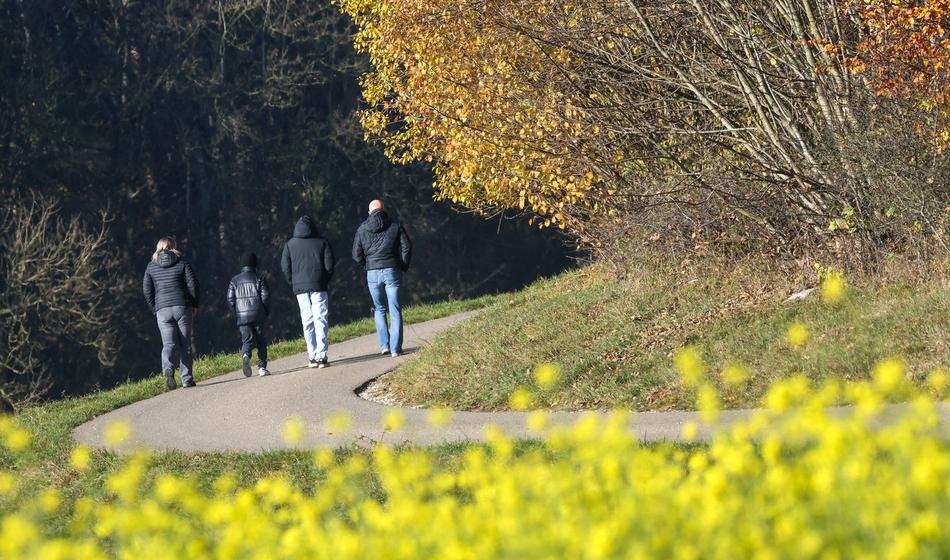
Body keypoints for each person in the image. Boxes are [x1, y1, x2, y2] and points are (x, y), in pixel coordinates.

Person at [352, 200, 412, 357]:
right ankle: (395, 349)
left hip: (372, 272)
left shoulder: (362, 228)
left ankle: (384, 345)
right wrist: (403, 265)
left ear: (369, 212)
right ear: (384, 209)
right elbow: (407, 246)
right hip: (392, 270)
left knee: (379, 308)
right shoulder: (395, 226)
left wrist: (367, 266)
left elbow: (356, 255)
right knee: (395, 308)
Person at [142, 236, 200, 390]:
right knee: (185, 344)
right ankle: (186, 379)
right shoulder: (182, 262)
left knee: (168, 344)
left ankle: (167, 367)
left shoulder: (151, 266)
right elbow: (192, 284)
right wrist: (195, 303)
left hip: (162, 309)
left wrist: (155, 308)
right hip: (182, 307)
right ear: (173, 246)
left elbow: (147, 290)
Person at [281, 216, 335, 368]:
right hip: (319, 285)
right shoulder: (322, 242)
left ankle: (311, 355)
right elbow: (329, 265)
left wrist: (293, 281)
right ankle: (322, 355)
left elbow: (285, 267)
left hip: (300, 287)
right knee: (321, 319)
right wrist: (324, 279)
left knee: (307, 320)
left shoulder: (290, 244)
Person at [227, 252, 271, 377]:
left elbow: (230, 299)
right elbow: (266, 296)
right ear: (255, 264)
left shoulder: (234, 280)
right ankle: (262, 368)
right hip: (258, 314)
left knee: (247, 340)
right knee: (261, 341)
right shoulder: (259, 277)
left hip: (242, 316)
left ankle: (246, 355)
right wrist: (266, 311)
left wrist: (236, 313)